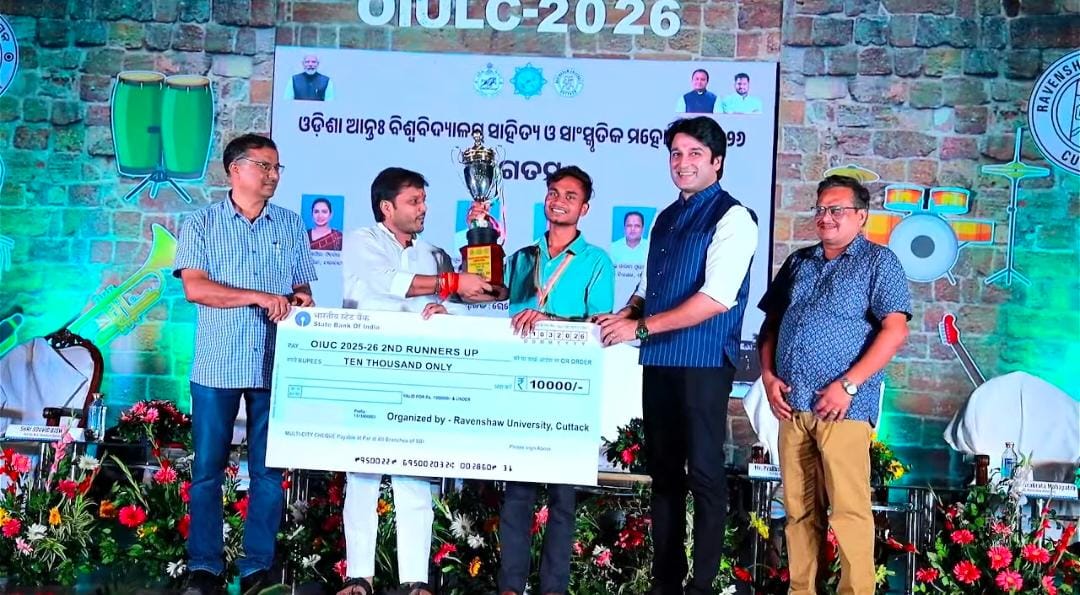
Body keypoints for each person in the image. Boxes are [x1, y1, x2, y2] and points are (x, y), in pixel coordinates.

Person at [596, 116, 758, 595]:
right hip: (660, 360)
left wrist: (640, 326)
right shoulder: (665, 217)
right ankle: (665, 581)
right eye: (676, 154)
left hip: (704, 361)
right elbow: (651, 288)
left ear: (717, 162)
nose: (683, 163)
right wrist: (625, 314)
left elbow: (716, 298)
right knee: (663, 473)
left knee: (705, 473)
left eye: (694, 154)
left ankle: (701, 584)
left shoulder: (734, 218)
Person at [338, 167, 493, 595]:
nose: (423, 208)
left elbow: (469, 299)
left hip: (418, 375)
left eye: (424, 200)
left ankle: (415, 581)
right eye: (413, 201)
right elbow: (389, 283)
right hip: (366, 371)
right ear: (386, 207)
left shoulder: (435, 254)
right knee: (363, 474)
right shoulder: (361, 241)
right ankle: (359, 576)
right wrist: (450, 282)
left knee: (414, 474)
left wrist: (480, 238)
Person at [173, 134, 317, 595]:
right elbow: (196, 288)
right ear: (235, 169)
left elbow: (303, 290)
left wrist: (298, 301)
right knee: (207, 471)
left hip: (275, 362)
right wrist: (258, 296)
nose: (273, 175)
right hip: (218, 364)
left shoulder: (290, 224)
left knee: (269, 472)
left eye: (277, 168)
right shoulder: (201, 223)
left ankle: (258, 567)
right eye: (264, 166)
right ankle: (204, 566)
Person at [757, 175, 910, 595]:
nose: (826, 217)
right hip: (793, 406)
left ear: (861, 216)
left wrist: (849, 385)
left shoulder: (879, 263)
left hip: (843, 409)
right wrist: (768, 377)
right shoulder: (799, 262)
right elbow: (770, 327)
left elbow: (895, 331)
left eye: (837, 209)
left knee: (848, 512)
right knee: (798, 513)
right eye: (821, 209)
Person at [469, 166, 614, 595]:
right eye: (553, 193)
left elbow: (599, 326)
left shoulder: (597, 261)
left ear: (585, 208)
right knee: (517, 492)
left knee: (562, 497)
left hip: (569, 390)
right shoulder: (522, 257)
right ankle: (510, 587)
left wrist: (547, 319)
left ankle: (553, 588)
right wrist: (478, 235)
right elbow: (485, 293)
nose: (559, 201)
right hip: (520, 386)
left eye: (570, 196)